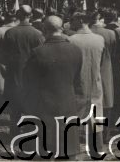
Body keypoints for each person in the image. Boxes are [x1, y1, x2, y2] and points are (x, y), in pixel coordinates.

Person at [23, 16, 83, 159]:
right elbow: (78, 80)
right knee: (67, 148)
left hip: (44, 104)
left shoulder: (38, 52)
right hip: (68, 101)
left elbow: (28, 81)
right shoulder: (75, 50)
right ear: (62, 29)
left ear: (44, 30)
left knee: (46, 147)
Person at [3, 5, 44, 139]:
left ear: (17, 15)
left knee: (14, 103)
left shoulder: (10, 33)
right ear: (31, 16)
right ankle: (30, 131)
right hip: (31, 74)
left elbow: (5, 55)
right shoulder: (37, 34)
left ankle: (14, 130)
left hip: (13, 72)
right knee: (31, 102)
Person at [68, 12, 105, 156]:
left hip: (76, 83)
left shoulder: (71, 40)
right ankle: (97, 151)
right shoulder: (99, 39)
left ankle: (73, 151)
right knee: (96, 118)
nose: (71, 21)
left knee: (75, 118)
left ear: (81, 20)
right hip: (96, 82)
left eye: (73, 19)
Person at [90, 11, 116, 142]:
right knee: (106, 101)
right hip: (106, 68)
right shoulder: (110, 33)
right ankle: (105, 134)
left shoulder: (87, 32)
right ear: (100, 19)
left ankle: (91, 133)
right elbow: (114, 52)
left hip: (90, 70)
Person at [0, 12, 18, 105]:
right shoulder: (16, 30)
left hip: (1, 57)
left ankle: (2, 102)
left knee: (1, 81)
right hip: (14, 57)